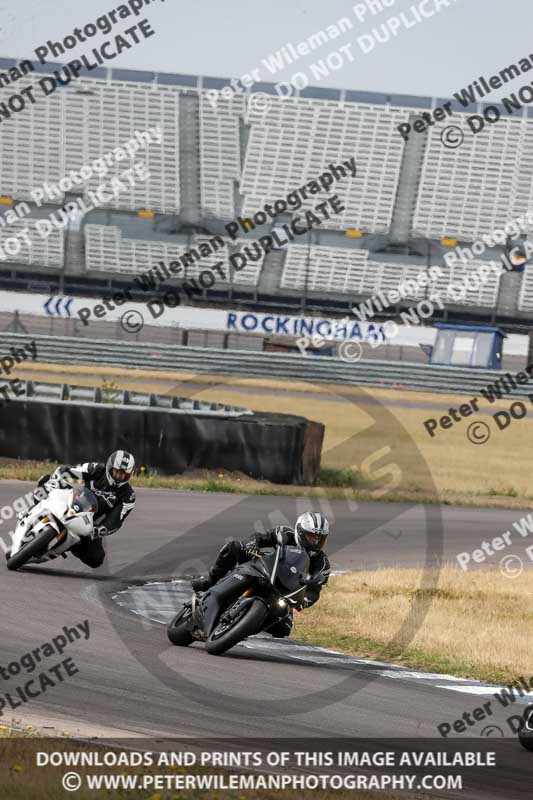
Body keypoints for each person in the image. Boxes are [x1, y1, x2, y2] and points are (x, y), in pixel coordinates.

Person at [191, 511, 331, 638]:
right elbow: (260, 537)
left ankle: (241, 628)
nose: (315, 541)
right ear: (300, 531)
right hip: (262, 567)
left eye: (319, 538)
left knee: (283, 629)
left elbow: (315, 590)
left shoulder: (322, 563)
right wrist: (251, 545)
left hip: (284, 591)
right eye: (311, 536)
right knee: (234, 547)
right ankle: (209, 581)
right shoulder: (285, 533)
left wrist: (304, 601)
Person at [22, 451, 136, 568]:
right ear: (109, 466)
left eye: (124, 475)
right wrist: (55, 481)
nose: (119, 477)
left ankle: (72, 544)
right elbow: (68, 471)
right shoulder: (96, 468)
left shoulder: (128, 495)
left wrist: (98, 530)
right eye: (117, 472)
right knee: (45, 486)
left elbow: (116, 520)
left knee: (96, 559)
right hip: (72, 501)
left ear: (129, 475)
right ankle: (30, 512)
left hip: (89, 523)